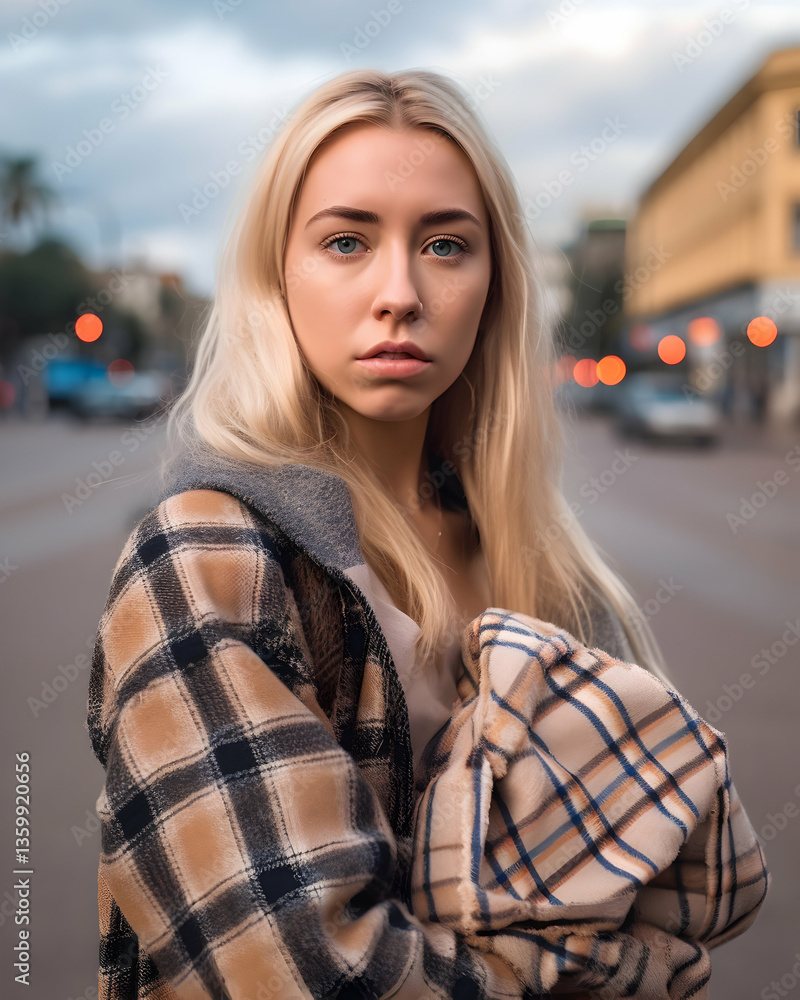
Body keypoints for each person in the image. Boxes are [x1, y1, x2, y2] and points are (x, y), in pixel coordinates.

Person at [86, 69, 768, 999]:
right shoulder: (208, 555)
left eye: (446, 244)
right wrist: (613, 973)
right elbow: (299, 972)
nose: (399, 292)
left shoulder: (547, 568)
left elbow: (685, 863)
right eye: (346, 242)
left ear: (495, 285)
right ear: (276, 275)